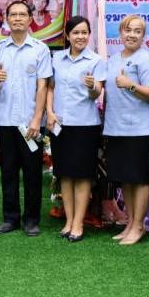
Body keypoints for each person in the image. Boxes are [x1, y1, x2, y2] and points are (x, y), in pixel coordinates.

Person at [0, 0, 52, 237]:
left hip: (31, 123)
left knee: (32, 173)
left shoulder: (40, 49)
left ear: (30, 18)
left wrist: (37, 119)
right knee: (8, 172)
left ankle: (32, 220)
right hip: (5, 121)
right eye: (13, 15)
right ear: (7, 19)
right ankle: (10, 218)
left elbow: (43, 87)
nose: (18, 18)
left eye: (22, 14)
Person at [45, 16, 105, 242]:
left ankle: (78, 223)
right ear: (67, 36)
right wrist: (49, 112)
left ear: (89, 35)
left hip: (85, 126)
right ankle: (68, 221)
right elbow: (51, 88)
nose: (81, 37)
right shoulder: (57, 58)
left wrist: (92, 87)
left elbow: (96, 92)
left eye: (84, 32)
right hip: (60, 125)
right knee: (64, 174)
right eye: (76, 33)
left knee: (82, 176)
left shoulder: (96, 61)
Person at [103, 14, 149, 246]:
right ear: (121, 33)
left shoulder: (145, 59)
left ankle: (139, 225)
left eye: (137, 31)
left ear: (143, 36)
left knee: (139, 179)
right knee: (125, 179)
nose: (132, 35)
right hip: (116, 128)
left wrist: (131, 85)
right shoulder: (113, 59)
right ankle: (129, 222)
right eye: (128, 30)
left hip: (140, 130)